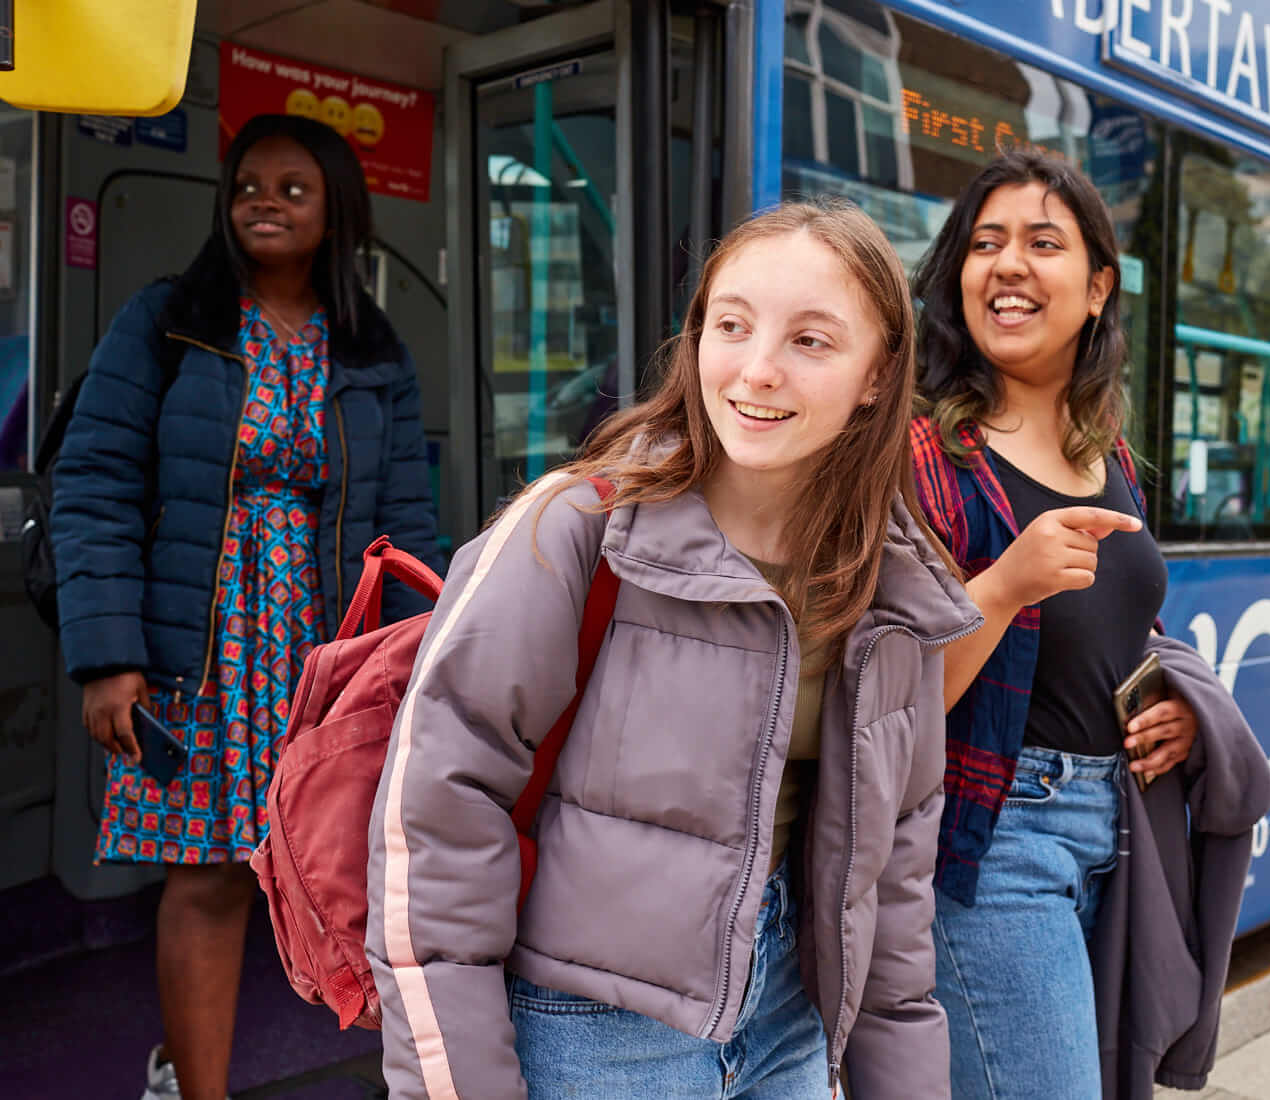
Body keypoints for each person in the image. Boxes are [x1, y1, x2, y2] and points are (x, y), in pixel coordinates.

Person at [365, 200, 979, 1100]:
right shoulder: (572, 529)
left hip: (787, 1022)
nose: (757, 370)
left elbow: (891, 890)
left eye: (812, 341)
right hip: (590, 1034)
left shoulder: (889, 585)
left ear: (879, 376)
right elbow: (433, 827)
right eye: (731, 325)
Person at [50, 113, 441, 1100]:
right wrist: (107, 656)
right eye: (248, 187)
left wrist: (418, 663)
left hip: (318, 649)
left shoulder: (373, 352)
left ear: (335, 211)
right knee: (210, 874)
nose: (264, 202)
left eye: (292, 188)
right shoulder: (167, 320)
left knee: (338, 866)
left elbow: (405, 519)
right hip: (197, 644)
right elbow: (92, 480)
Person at [908, 149, 1270, 1098]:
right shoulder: (922, 452)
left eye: (1041, 242)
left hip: (1118, 822)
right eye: (985, 243)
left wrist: (1178, 707)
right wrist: (1001, 587)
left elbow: (1120, 631)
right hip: (990, 840)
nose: (1008, 265)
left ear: (1098, 287)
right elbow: (893, 696)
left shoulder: (1102, 444)